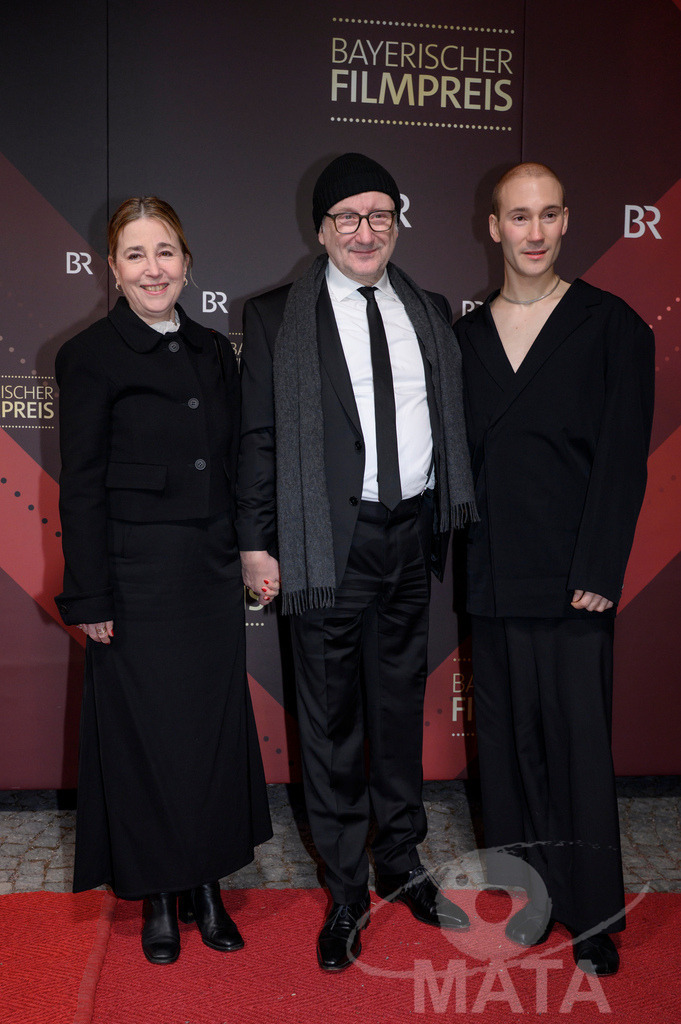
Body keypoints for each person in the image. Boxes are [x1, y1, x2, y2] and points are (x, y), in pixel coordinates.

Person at [237, 153, 477, 972]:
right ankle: (345, 890)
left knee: (397, 712)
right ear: (321, 229)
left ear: (397, 223)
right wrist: (255, 543)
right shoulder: (275, 317)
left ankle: (401, 863)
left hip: (409, 535)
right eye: (347, 216)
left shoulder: (429, 310)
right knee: (331, 723)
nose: (364, 231)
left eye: (379, 214)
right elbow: (258, 440)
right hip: (322, 545)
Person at [55, 197, 272, 965]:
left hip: (208, 572)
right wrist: (90, 594)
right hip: (134, 577)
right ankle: (154, 895)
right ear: (112, 269)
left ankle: (206, 885)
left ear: (187, 262)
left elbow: (240, 461)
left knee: (208, 733)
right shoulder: (87, 355)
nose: (153, 269)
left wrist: (251, 548)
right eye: (136, 255)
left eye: (166, 252)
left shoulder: (215, 350)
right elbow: (81, 486)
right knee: (145, 738)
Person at [455, 163, 655, 976]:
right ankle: (528, 898)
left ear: (566, 221)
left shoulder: (612, 326)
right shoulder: (465, 338)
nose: (532, 232)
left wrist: (600, 568)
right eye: (518, 216)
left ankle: (592, 913)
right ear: (493, 226)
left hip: (576, 578)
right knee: (507, 752)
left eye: (546, 215)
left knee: (576, 747)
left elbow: (623, 460)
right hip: (492, 574)